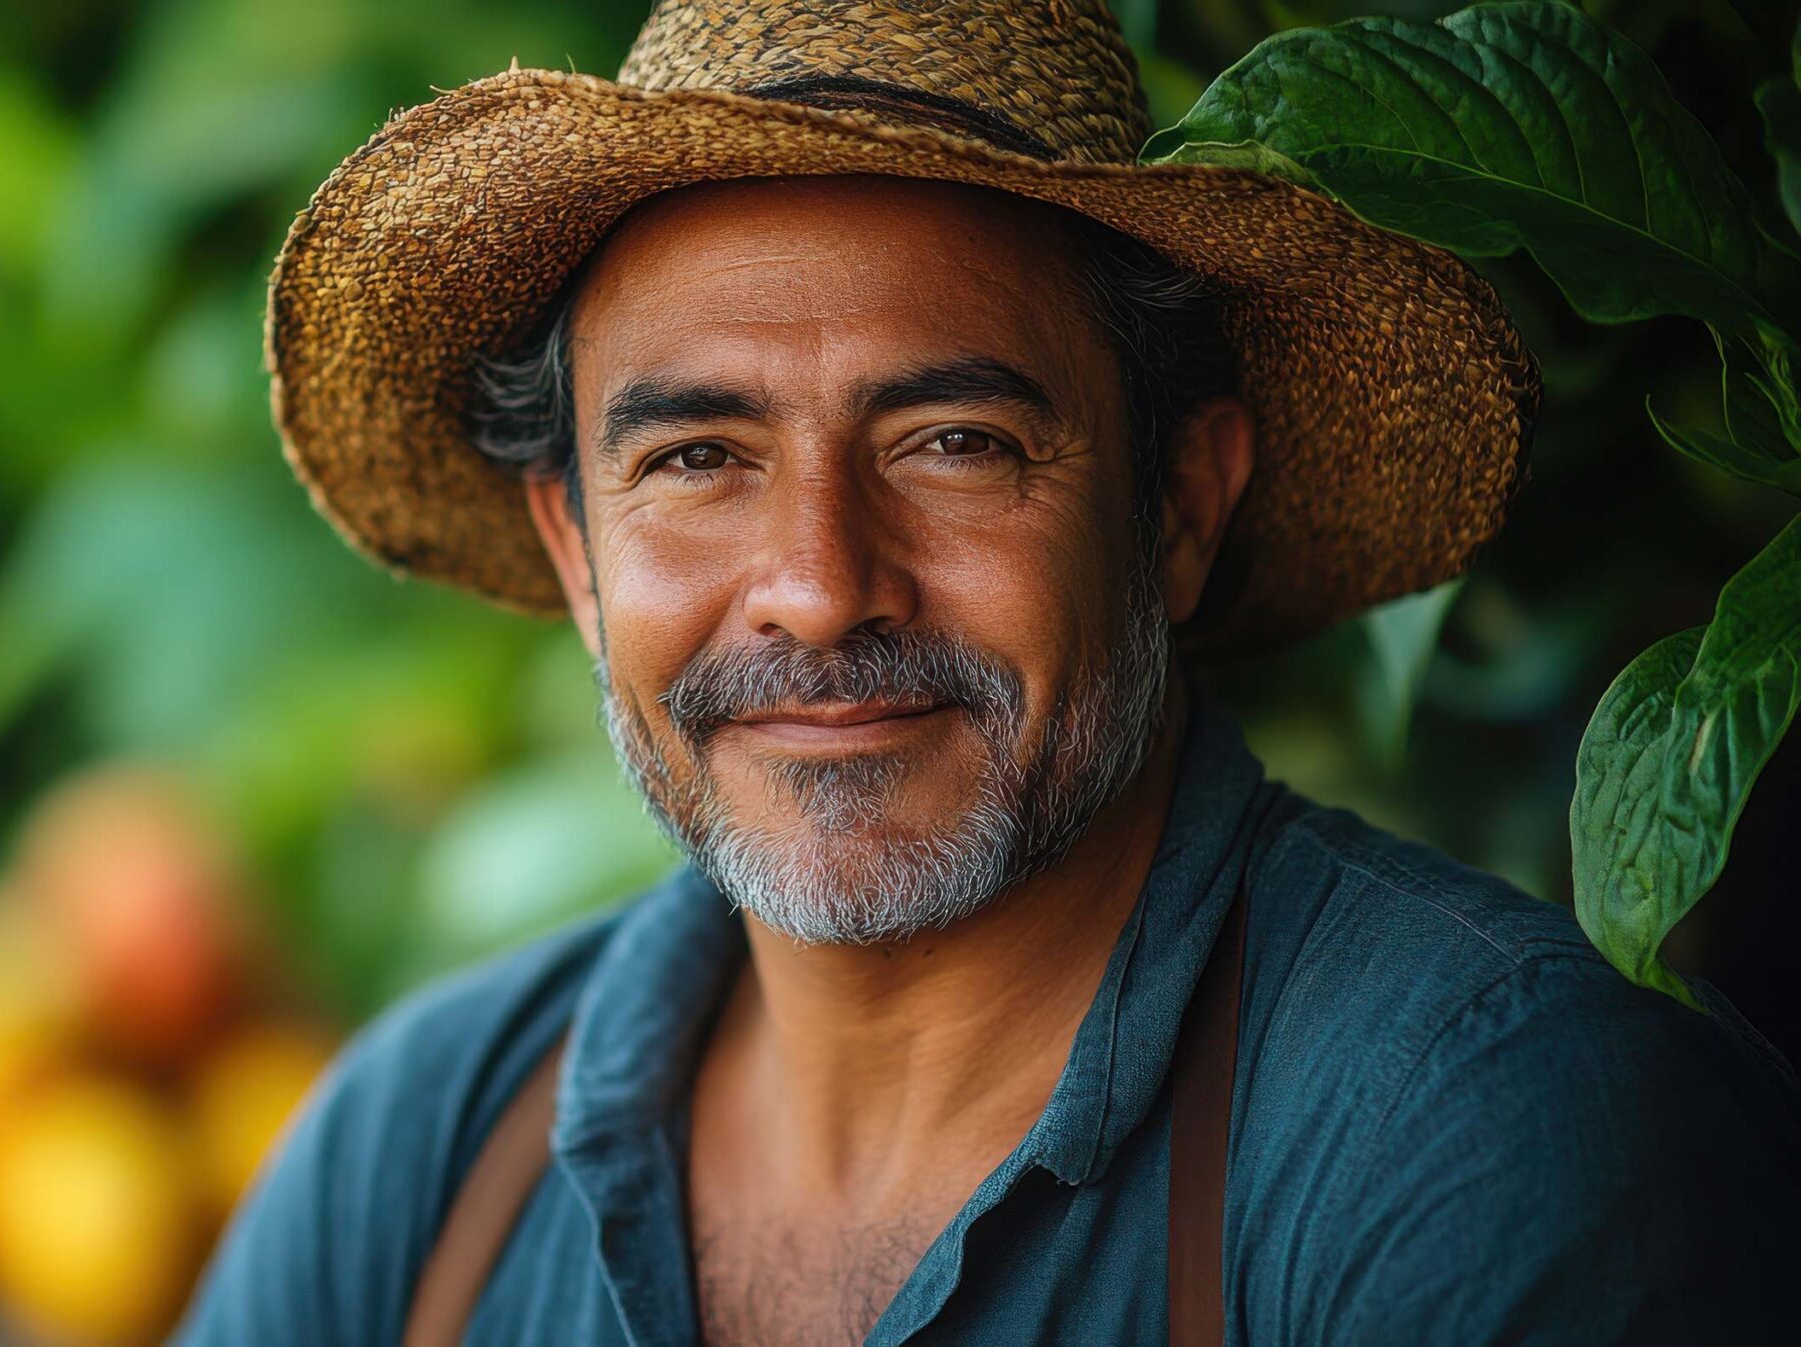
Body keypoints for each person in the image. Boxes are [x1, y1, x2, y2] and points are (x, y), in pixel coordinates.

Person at [178, 2, 1801, 1342]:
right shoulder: (420, 1154)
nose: (818, 592)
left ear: (1177, 508)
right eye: (694, 458)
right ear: (576, 557)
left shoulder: (1482, 1143)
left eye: (953, 443)